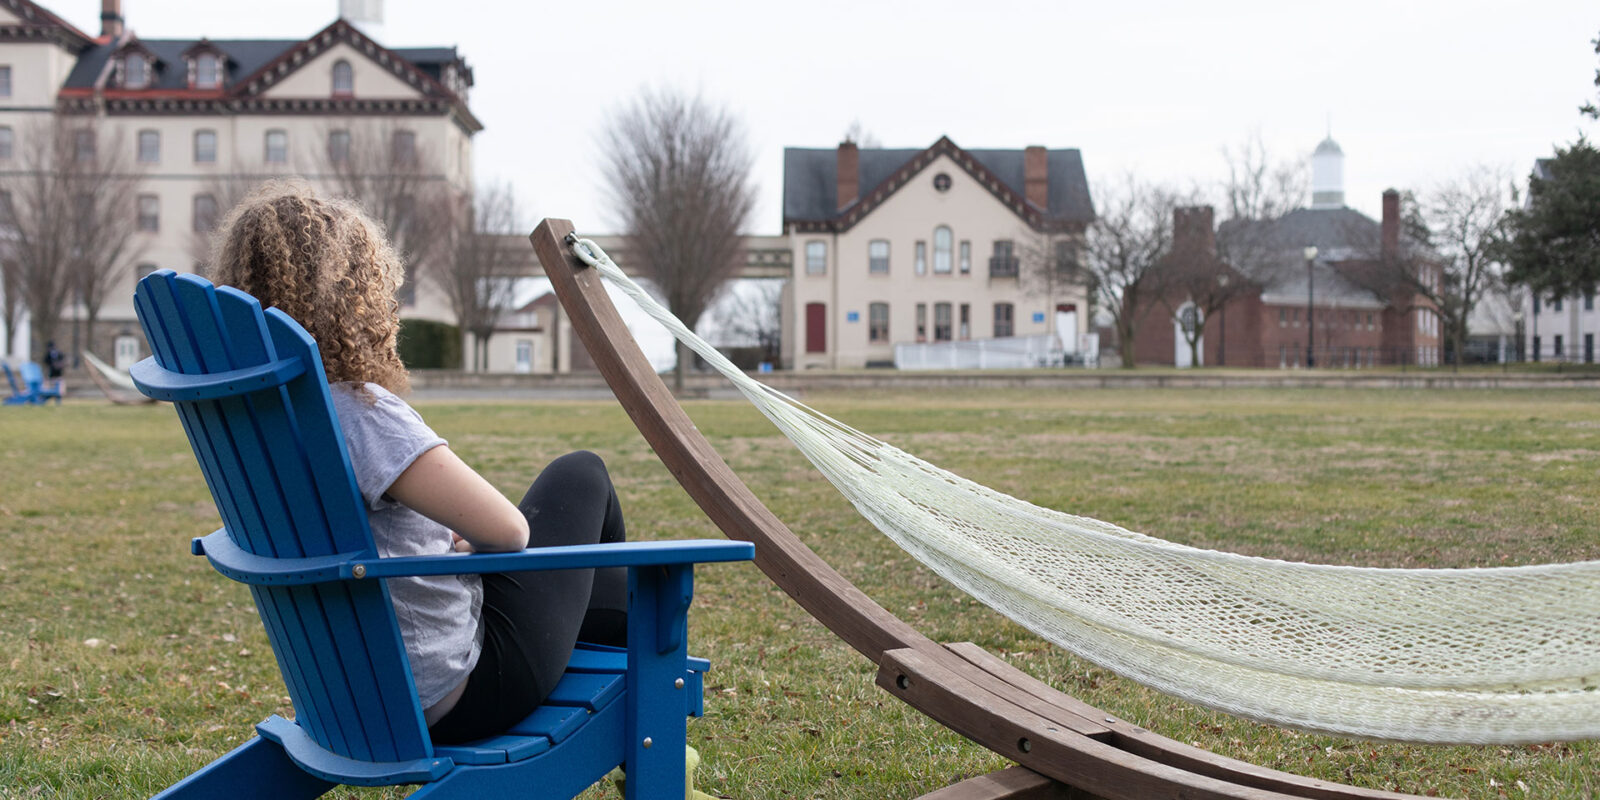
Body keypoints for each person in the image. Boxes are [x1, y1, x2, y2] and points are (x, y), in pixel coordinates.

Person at [209, 181, 628, 744]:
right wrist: (475, 541)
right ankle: (646, 717)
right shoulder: (358, 412)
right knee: (581, 474)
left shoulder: (257, 422)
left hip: (351, 694)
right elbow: (509, 530)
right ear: (356, 296)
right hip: (463, 694)